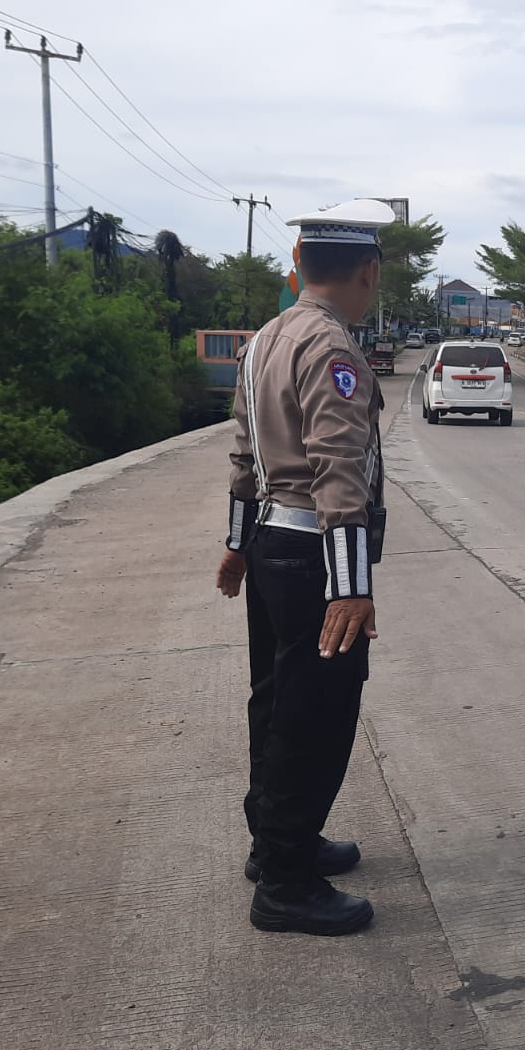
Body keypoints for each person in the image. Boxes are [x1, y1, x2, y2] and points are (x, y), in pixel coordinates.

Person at [215, 197, 394, 936]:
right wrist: (351, 589)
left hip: (270, 546)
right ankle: (286, 883)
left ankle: (277, 843)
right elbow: (338, 469)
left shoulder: (266, 338)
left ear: (297, 263)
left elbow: (243, 452)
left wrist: (236, 542)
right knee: (314, 717)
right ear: (368, 270)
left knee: (276, 700)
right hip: (312, 560)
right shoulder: (331, 347)